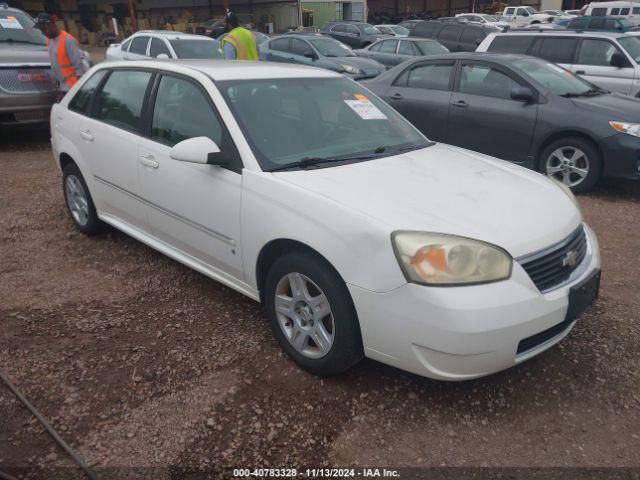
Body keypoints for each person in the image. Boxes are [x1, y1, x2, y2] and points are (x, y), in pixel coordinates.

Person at [35, 13, 88, 98]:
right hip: (62, 88)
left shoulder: (68, 40)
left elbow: (79, 68)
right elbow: (55, 64)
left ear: (51, 25)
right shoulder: (50, 41)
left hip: (72, 89)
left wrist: (77, 91)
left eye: (43, 29)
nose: (42, 32)